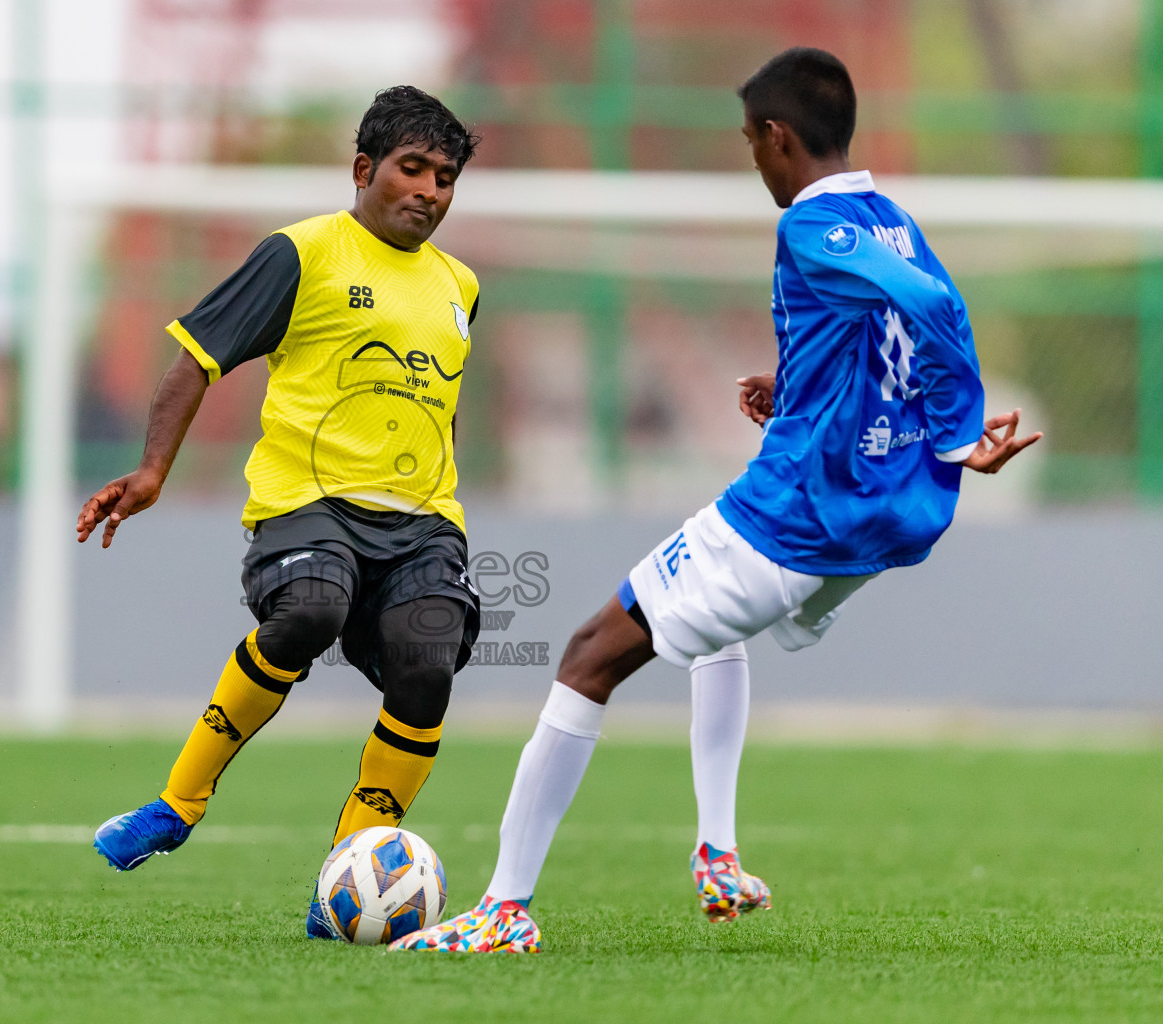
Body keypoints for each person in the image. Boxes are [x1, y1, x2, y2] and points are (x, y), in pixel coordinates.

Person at [392, 47, 1041, 954]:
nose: (753, 162)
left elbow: (924, 302)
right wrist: (799, 385)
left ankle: (504, 908)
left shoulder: (813, 225)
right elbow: (888, 327)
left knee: (587, 656)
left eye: (750, 144)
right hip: (880, 520)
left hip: (795, 513)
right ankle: (718, 851)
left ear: (779, 138)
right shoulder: (890, 217)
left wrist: (959, 429)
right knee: (719, 633)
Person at [78, 85, 483, 938]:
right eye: (413, 170)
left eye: (446, 178)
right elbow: (197, 356)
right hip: (307, 505)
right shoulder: (300, 254)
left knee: (427, 662)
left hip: (421, 522)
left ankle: (343, 875)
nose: (429, 192)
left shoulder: (461, 286)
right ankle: (176, 805)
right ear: (364, 169)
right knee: (309, 611)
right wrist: (153, 470)